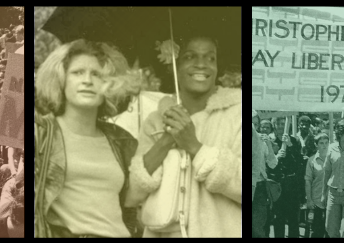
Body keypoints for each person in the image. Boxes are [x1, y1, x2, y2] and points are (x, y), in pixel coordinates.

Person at [131, 35, 243, 237]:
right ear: (173, 64)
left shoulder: (239, 114)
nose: (201, 65)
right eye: (190, 57)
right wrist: (165, 141)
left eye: (210, 58)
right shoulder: (155, 120)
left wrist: (194, 146)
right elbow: (135, 192)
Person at [32, 40, 143, 238]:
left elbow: (133, 205)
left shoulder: (122, 141)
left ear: (110, 84)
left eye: (97, 74)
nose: (87, 80)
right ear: (61, 79)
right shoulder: (41, 134)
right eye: (78, 72)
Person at [303, 133, 331, 238]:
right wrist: (309, 200)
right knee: (316, 230)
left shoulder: (333, 158)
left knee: (330, 230)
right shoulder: (312, 160)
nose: (324, 145)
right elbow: (308, 181)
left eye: (326, 143)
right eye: (321, 143)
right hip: (316, 200)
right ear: (316, 144)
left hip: (331, 199)